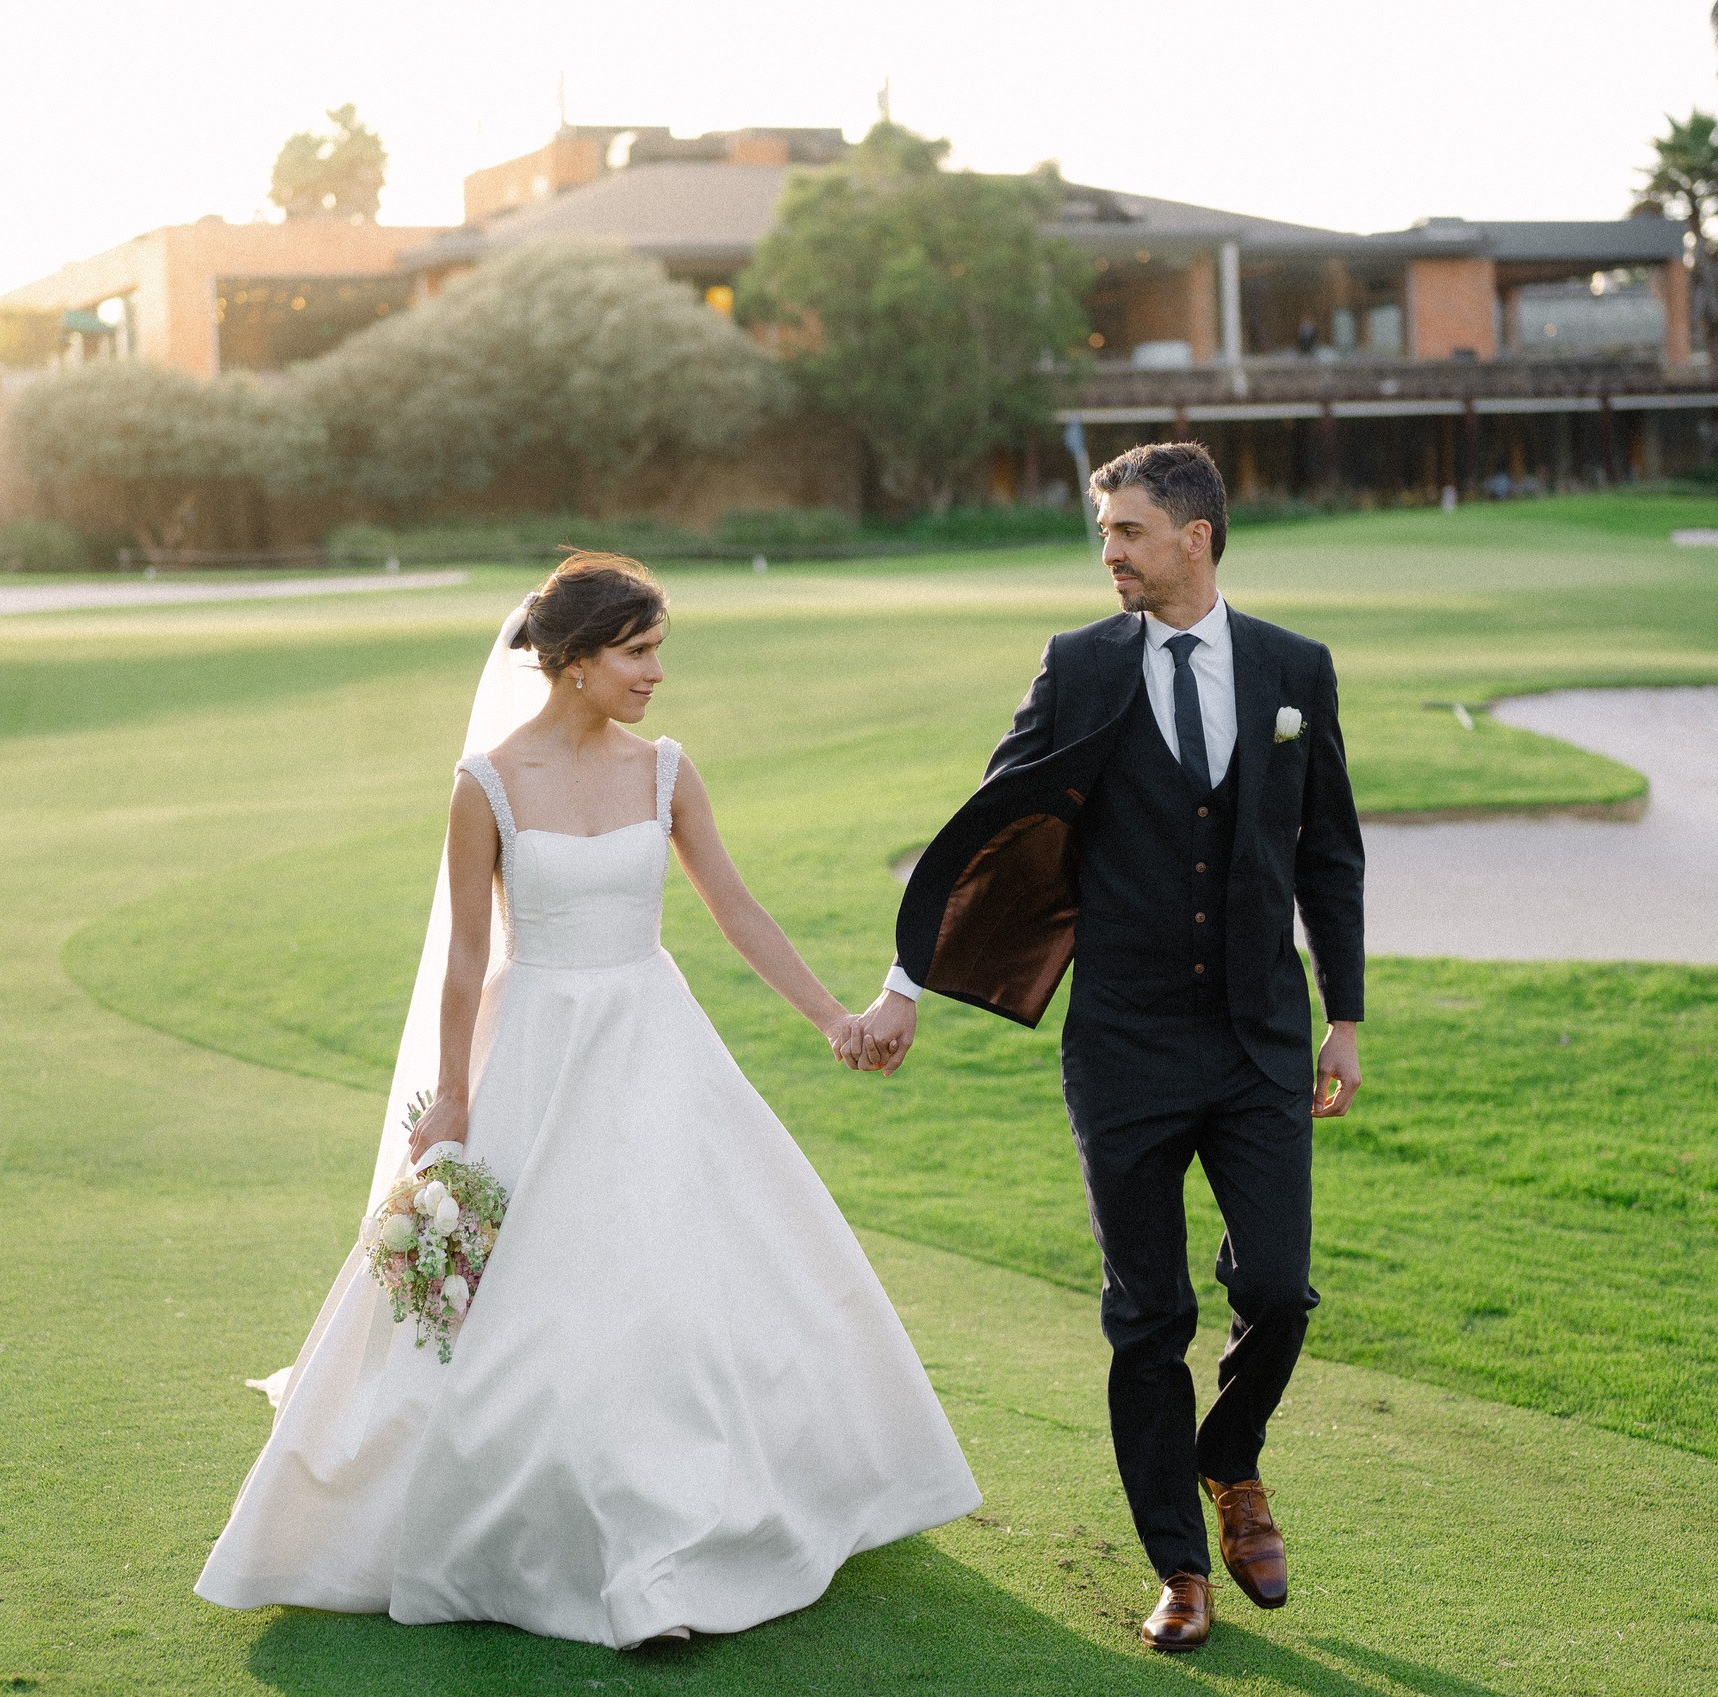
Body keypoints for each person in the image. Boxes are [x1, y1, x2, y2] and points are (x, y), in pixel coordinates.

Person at [196, 553, 978, 1649]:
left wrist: (834, 1017)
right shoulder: (486, 784)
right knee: (535, 1292)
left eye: (659, 649)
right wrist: (455, 1099)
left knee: (673, 1270)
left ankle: (682, 1528)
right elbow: (468, 960)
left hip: (654, 1042)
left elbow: (739, 911)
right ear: (570, 662)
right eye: (637, 650)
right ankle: (545, 1527)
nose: (656, 672)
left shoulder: (665, 770)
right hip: (535, 1052)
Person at [847, 441, 1365, 1653]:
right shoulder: (1080, 664)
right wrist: (904, 981)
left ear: (1195, 535)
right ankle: (1180, 1564)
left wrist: (1343, 1013)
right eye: (1104, 533)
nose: (1110, 554)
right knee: (1148, 1311)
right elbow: (993, 819)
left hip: (1258, 1040)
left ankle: (1227, 1459)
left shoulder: (1295, 668)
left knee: (1278, 1287)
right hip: (1123, 1041)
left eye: (1127, 531)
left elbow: (1328, 851)